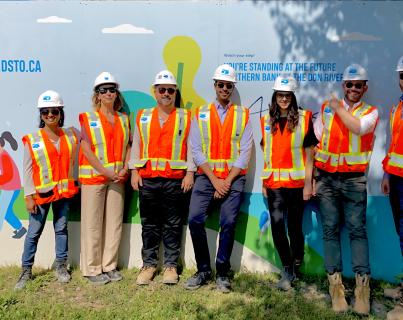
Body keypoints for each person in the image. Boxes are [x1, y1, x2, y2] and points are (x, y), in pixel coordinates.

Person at [314, 64, 378, 314]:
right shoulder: (325, 110)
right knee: (329, 230)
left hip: (353, 181)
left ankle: (363, 292)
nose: (353, 89)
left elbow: (358, 128)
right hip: (327, 179)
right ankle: (336, 289)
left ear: (365, 87)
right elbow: (317, 139)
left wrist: (338, 107)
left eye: (358, 85)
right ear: (344, 86)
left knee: (357, 231)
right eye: (349, 84)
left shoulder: (370, 112)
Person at [185, 64, 253, 293]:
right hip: (207, 177)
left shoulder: (243, 114)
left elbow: (245, 152)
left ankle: (222, 272)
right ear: (214, 86)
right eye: (221, 84)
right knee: (194, 219)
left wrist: (227, 180)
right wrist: (216, 181)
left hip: (234, 178)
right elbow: (195, 149)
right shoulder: (200, 113)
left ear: (233, 88)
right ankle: (203, 270)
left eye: (229, 85)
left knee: (229, 222)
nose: (225, 88)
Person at [129, 70, 195, 285]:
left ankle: (170, 267)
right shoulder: (142, 116)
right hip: (148, 178)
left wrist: (190, 173)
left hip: (175, 180)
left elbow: (192, 147)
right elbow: (136, 145)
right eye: (162, 90)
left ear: (175, 92)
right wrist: (134, 170)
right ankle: (148, 266)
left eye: (170, 90)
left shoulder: (186, 117)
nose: (166, 93)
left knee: (173, 224)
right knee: (149, 224)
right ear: (155, 92)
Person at [15, 90, 79, 290]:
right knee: (33, 232)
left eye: (54, 111)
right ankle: (26, 271)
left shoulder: (71, 135)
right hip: (40, 195)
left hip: (63, 194)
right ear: (41, 115)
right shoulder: (32, 139)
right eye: (45, 112)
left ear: (61, 113)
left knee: (61, 230)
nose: (50, 115)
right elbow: (27, 169)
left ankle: (61, 266)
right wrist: (28, 196)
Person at [260, 75, 317, 290]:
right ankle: (287, 268)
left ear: (292, 97)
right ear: (275, 97)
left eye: (287, 95)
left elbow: (310, 155)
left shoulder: (304, 118)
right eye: (280, 95)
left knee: (294, 228)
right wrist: (264, 182)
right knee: (276, 226)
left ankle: (297, 259)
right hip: (274, 185)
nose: (283, 99)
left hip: (296, 185)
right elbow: (266, 152)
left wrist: (309, 185)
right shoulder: (266, 120)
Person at [79, 72, 131, 285]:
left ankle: (109, 266)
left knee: (114, 223)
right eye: (104, 90)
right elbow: (86, 149)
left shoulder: (123, 119)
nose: (108, 93)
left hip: (118, 178)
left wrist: (125, 168)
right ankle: (92, 268)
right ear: (97, 95)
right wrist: (105, 171)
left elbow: (128, 146)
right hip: (94, 179)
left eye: (112, 89)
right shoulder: (88, 118)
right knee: (92, 225)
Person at [381, 56, 403, 320]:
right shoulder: (397, 108)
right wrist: (386, 172)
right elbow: (393, 145)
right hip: (396, 180)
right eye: (402, 75)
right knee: (401, 233)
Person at [0, 131, 27, 239]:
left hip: (11, 188)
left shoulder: (4, 156)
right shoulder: (2, 155)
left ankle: (20, 228)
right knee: (6, 211)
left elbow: (8, 175)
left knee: (2, 211)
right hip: (11, 187)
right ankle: (20, 229)